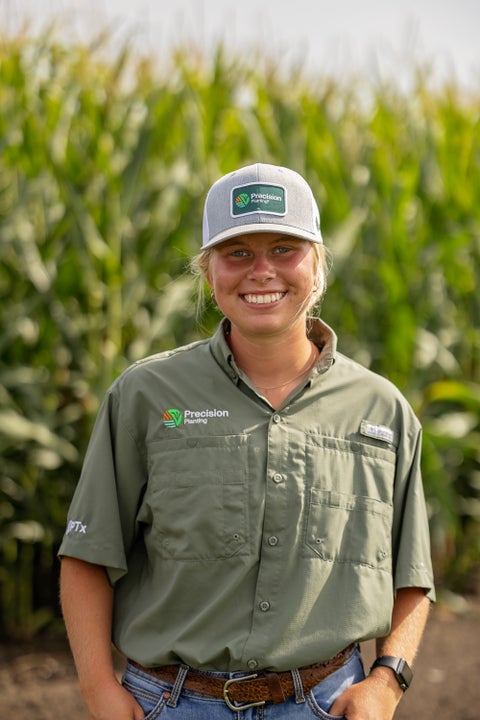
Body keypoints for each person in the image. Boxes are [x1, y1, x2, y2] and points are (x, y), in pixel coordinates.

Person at [59, 162, 435, 720]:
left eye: (285, 249)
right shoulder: (144, 396)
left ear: (319, 264)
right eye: (237, 253)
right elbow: (88, 555)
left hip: (326, 705)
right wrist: (98, 688)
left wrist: (388, 681)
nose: (262, 272)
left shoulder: (382, 411)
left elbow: (413, 575)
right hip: (169, 704)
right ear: (208, 272)